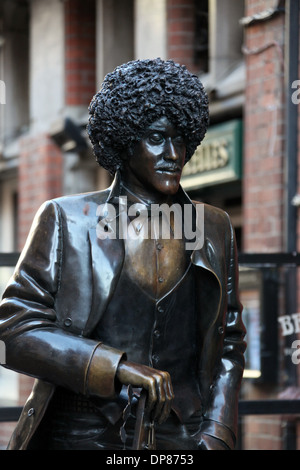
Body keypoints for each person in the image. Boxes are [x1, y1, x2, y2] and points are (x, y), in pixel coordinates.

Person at [0, 58, 246, 450]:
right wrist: (115, 366)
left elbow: (229, 343)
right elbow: (14, 330)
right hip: (80, 432)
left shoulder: (212, 226)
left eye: (181, 139)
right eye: (156, 137)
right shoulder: (67, 219)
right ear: (124, 138)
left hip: (183, 435)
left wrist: (219, 431)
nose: (173, 153)